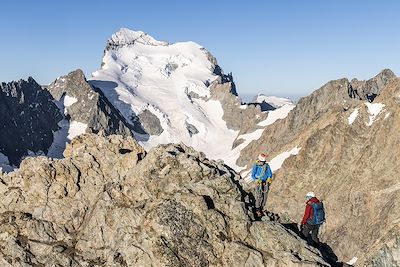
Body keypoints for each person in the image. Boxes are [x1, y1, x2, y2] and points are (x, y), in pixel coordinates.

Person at [251, 153, 273, 217]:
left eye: (263, 161)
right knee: (259, 196)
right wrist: (257, 179)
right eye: (262, 161)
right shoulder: (256, 165)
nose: (263, 163)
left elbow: (270, 173)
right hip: (258, 183)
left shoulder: (266, 166)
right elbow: (253, 175)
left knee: (265, 196)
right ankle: (257, 209)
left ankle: (262, 208)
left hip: (265, 183)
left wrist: (269, 179)